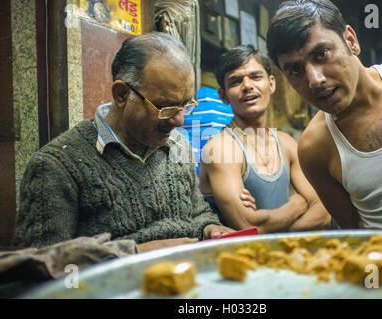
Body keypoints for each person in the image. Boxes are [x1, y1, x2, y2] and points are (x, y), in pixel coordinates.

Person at [13, 32, 233, 252]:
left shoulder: (177, 146)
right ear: (121, 94)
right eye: (166, 107)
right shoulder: (57, 167)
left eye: (185, 104)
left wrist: (210, 227)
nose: (179, 120)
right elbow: (38, 267)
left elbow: (197, 212)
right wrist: (135, 254)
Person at [266, 0, 382, 230]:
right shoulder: (314, 147)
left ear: (351, 41)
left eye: (321, 54)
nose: (314, 80)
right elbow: (354, 231)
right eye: (295, 70)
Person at [199, 45, 332, 234]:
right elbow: (249, 226)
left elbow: (324, 214)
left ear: (271, 83)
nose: (247, 86)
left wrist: (272, 230)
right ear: (223, 96)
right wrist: (298, 204)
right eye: (236, 81)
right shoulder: (220, 149)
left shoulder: (286, 144)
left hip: (283, 256)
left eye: (255, 77)